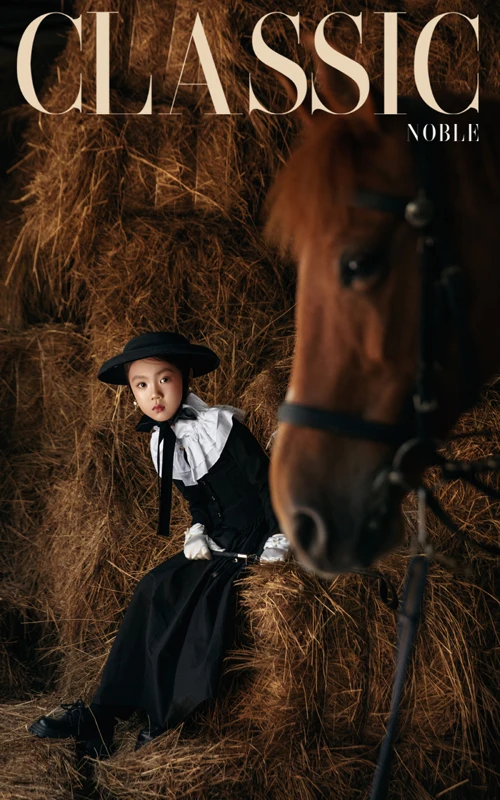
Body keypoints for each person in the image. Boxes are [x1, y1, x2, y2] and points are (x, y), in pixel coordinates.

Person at [28, 331, 289, 757]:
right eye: (142, 385)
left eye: (164, 380)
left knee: (204, 607)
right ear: (132, 394)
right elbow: (197, 501)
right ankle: (104, 711)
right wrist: (199, 529)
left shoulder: (221, 429)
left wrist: (278, 536)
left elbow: (267, 486)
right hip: (218, 541)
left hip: (256, 539)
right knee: (153, 586)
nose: (155, 394)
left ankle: (162, 715)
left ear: (185, 379)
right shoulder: (162, 443)